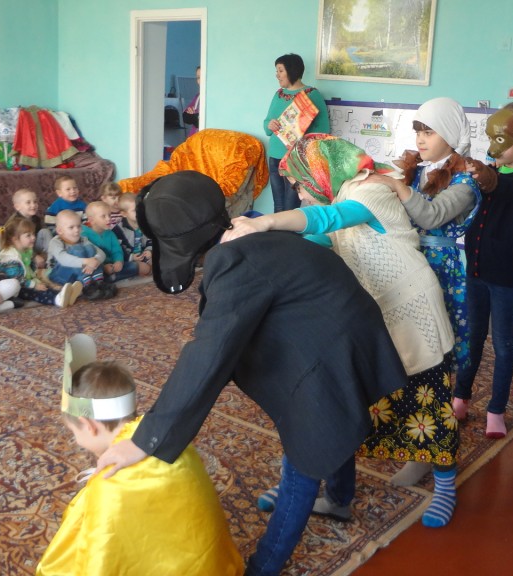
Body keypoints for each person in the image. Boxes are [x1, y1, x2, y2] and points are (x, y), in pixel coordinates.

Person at [94, 171, 407, 576]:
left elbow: (208, 354)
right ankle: (339, 499)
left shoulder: (231, 260)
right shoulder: (249, 235)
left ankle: (264, 567)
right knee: (336, 414)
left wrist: (145, 440)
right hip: (350, 334)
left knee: (307, 448)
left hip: (331, 346)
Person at [225, 134, 459, 528]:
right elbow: (319, 235)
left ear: (320, 173)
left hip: (412, 308)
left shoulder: (370, 190)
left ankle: (446, 486)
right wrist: (265, 239)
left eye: (300, 184)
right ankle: (330, 494)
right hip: (376, 311)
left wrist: (264, 221)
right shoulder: (341, 194)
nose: (300, 193)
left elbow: (329, 220)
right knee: (356, 403)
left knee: (426, 401)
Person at [36, 334, 243, 575]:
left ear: (89, 425)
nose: (75, 440)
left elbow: (98, 560)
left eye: (73, 432)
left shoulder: (111, 483)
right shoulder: (167, 440)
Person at [368, 97, 480, 484]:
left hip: (439, 272)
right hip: (408, 265)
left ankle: (431, 452)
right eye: (418, 131)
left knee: (433, 364)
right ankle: (412, 441)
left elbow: (431, 216)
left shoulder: (466, 182)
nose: (420, 139)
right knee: (406, 356)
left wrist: (395, 186)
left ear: (450, 134)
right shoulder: (416, 173)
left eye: (429, 131)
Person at [451, 102, 513, 438]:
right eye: (491, 139)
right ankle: (460, 397)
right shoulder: (490, 170)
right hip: (476, 269)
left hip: (507, 274)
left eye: (502, 140)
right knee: (472, 336)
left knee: (504, 343)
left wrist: (491, 179)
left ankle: (496, 410)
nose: (494, 147)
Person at [262, 53, 330, 213]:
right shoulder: (279, 94)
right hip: (275, 158)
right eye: (277, 71)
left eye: (280, 71)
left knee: (290, 209)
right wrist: (270, 125)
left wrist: (303, 132)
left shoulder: (312, 94)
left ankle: (287, 231)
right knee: (278, 207)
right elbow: (266, 126)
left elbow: (323, 131)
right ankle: (276, 231)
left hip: (296, 160)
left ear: (292, 71)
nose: (277, 75)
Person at [0, 216, 81, 308]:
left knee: (46, 287)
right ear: (15, 239)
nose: (33, 237)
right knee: (38, 293)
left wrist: (37, 281)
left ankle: (66, 295)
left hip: (27, 281)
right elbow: (18, 280)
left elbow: (30, 270)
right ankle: (57, 299)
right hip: (17, 288)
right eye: (28, 235)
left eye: (33, 234)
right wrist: (34, 285)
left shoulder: (25, 251)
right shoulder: (10, 258)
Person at [47, 210, 113, 301]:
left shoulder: (83, 239)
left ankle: (98, 282)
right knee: (77, 249)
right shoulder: (55, 242)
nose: (77, 230)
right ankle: (88, 286)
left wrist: (95, 261)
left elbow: (101, 253)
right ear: (60, 231)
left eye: (78, 226)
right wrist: (86, 261)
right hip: (58, 275)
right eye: (71, 227)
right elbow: (63, 259)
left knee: (90, 248)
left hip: (80, 274)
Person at [82, 201, 135, 282]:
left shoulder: (110, 233)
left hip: (112, 266)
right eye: (103, 216)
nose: (108, 219)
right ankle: (107, 278)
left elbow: (117, 250)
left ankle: (110, 278)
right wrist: (103, 267)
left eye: (109, 215)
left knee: (134, 266)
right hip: (96, 268)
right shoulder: (84, 234)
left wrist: (118, 261)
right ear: (92, 220)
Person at [111, 193, 152, 277]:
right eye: (134, 210)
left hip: (145, 255)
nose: (139, 212)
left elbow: (151, 239)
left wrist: (149, 250)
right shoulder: (118, 230)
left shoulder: (145, 223)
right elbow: (118, 249)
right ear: (124, 214)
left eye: (140, 208)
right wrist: (131, 257)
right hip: (129, 259)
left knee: (160, 261)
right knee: (141, 268)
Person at [182, 66, 202, 137]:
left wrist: (194, 116)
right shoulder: (198, 96)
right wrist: (195, 117)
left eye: (202, 76)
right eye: (198, 77)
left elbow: (203, 121)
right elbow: (185, 117)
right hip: (194, 137)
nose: (200, 80)